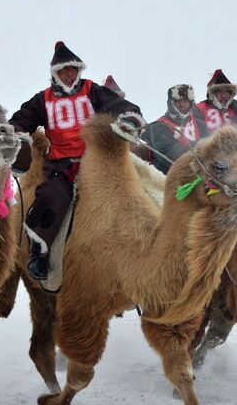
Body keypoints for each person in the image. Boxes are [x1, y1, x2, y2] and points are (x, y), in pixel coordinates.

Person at [9, 41, 143, 280]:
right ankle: (39, 253)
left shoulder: (93, 91)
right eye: (64, 71)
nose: (70, 75)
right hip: (62, 167)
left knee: (135, 190)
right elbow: (23, 118)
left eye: (73, 70)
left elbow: (120, 105)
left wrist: (129, 119)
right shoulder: (43, 99)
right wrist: (17, 134)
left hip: (98, 163)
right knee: (52, 198)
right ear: (56, 74)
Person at [140, 84, 209, 174]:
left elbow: (210, 149)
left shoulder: (200, 124)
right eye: (178, 101)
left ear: (191, 103)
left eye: (185, 101)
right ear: (171, 103)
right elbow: (170, 155)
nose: (182, 105)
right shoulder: (159, 126)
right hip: (168, 177)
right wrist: (202, 149)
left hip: (199, 174)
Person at [196, 69, 237, 139]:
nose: (224, 96)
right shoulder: (199, 109)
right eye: (220, 91)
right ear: (213, 94)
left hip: (235, 146)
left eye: (227, 92)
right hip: (207, 147)